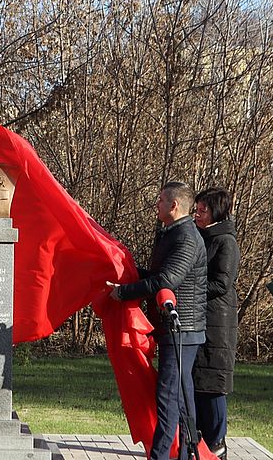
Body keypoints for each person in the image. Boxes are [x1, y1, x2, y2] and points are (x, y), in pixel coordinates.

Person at [108, 181, 207, 460]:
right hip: (175, 329)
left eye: (161, 200)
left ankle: (162, 455)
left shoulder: (186, 236)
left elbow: (167, 280)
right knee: (182, 396)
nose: (157, 205)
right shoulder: (172, 233)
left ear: (174, 206)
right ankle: (186, 452)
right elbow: (157, 274)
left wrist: (123, 292)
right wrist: (125, 272)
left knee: (167, 395)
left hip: (182, 329)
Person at [191, 187, 240, 460]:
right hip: (200, 315)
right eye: (196, 210)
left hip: (217, 320)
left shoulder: (225, 242)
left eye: (203, 211)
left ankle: (217, 442)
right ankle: (199, 440)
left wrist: (191, 289)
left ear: (217, 212)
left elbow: (222, 282)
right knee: (198, 381)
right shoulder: (200, 236)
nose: (198, 215)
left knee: (213, 383)